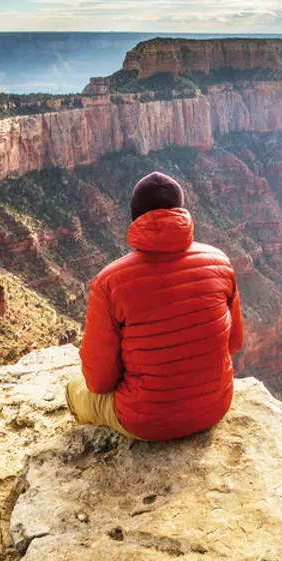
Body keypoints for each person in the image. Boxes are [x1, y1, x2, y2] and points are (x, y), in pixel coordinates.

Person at [67, 171, 244, 441]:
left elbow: (99, 382)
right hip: (214, 407)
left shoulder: (108, 283)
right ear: (181, 211)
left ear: (135, 216)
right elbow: (234, 344)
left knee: (74, 388)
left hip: (146, 423)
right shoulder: (219, 262)